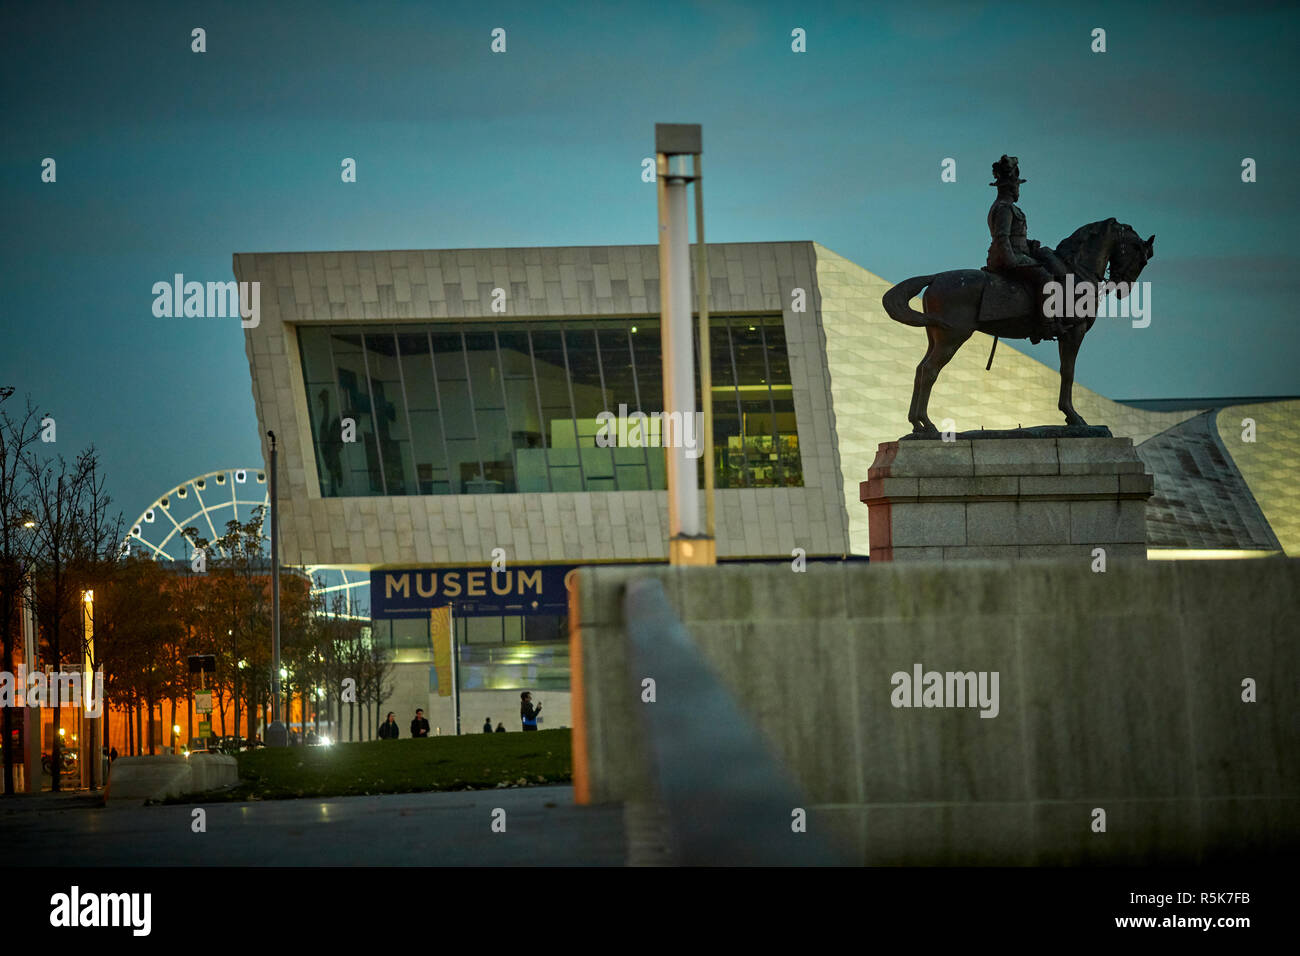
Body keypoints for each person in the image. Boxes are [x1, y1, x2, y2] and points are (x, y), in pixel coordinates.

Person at [985, 154, 1072, 343]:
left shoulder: (1007, 207)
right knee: (1046, 278)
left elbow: (1014, 237)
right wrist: (1012, 260)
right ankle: (1047, 325)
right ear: (1009, 187)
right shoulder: (1004, 208)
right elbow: (1002, 237)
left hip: (1015, 252)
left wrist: (1029, 245)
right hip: (1007, 256)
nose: (1018, 190)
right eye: (1017, 186)